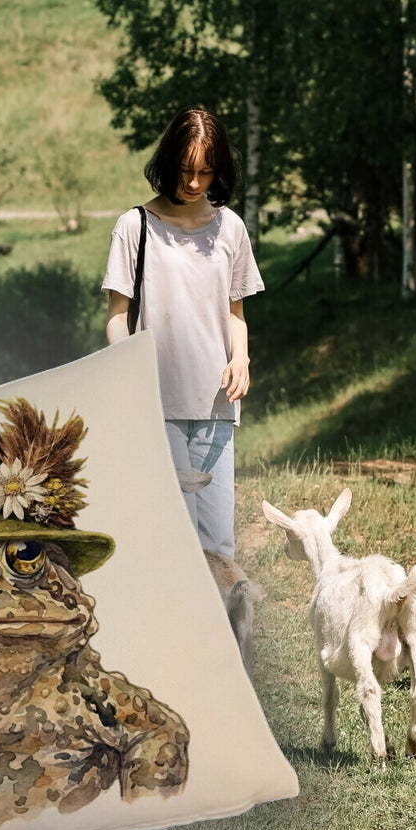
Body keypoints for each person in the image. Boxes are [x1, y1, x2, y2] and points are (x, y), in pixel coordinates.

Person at [102, 108, 263, 557]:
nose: (193, 182)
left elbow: (235, 313)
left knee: (219, 545)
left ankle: (223, 609)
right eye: (185, 169)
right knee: (176, 541)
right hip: (158, 405)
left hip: (217, 404)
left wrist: (241, 359)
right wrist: (133, 373)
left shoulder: (231, 228)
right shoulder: (134, 227)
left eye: (205, 172)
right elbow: (117, 317)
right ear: (169, 161)